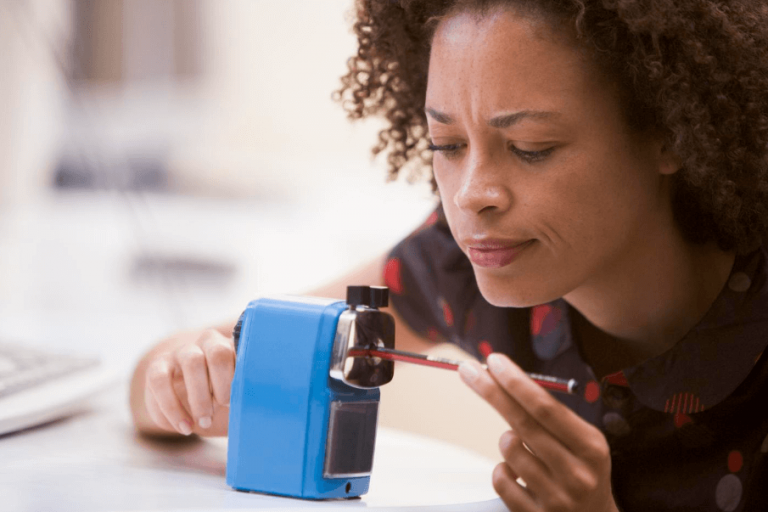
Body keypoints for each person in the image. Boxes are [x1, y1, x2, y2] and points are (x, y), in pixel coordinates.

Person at [130, 0, 768, 510]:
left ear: (669, 132)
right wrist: (182, 383)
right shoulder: (459, 263)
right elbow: (170, 369)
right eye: (448, 144)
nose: (471, 195)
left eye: (532, 147)